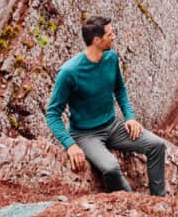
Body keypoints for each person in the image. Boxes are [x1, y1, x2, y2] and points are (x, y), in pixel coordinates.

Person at [45, 15, 167, 196]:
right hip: (86, 135)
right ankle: (132, 203)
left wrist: (130, 118)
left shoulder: (111, 58)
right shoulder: (69, 72)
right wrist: (70, 145)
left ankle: (159, 198)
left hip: (113, 126)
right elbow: (52, 114)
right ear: (96, 40)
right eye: (110, 34)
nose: (114, 36)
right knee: (110, 167)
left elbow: (120, 90)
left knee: (157, 145)